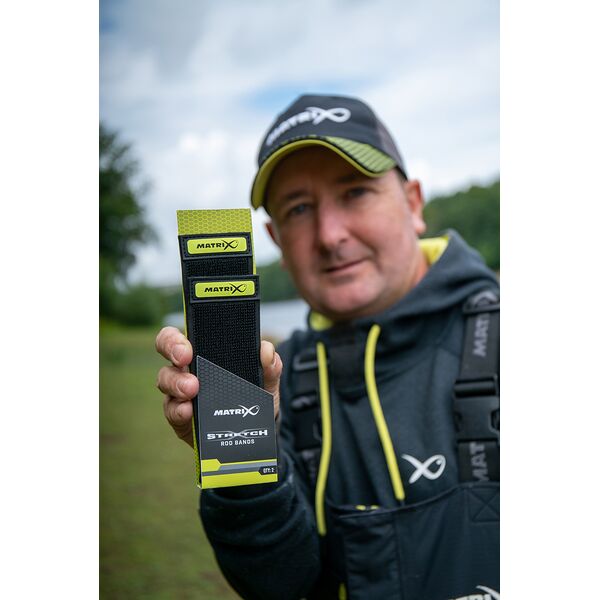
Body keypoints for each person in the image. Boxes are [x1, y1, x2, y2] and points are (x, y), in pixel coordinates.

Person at [156, 94, 500, 600]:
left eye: (355, 192)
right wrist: (240, 461)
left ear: (413, 203)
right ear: (275, 238)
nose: (329, 235)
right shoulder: (273, 382)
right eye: (299, 208)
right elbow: (281, 585)